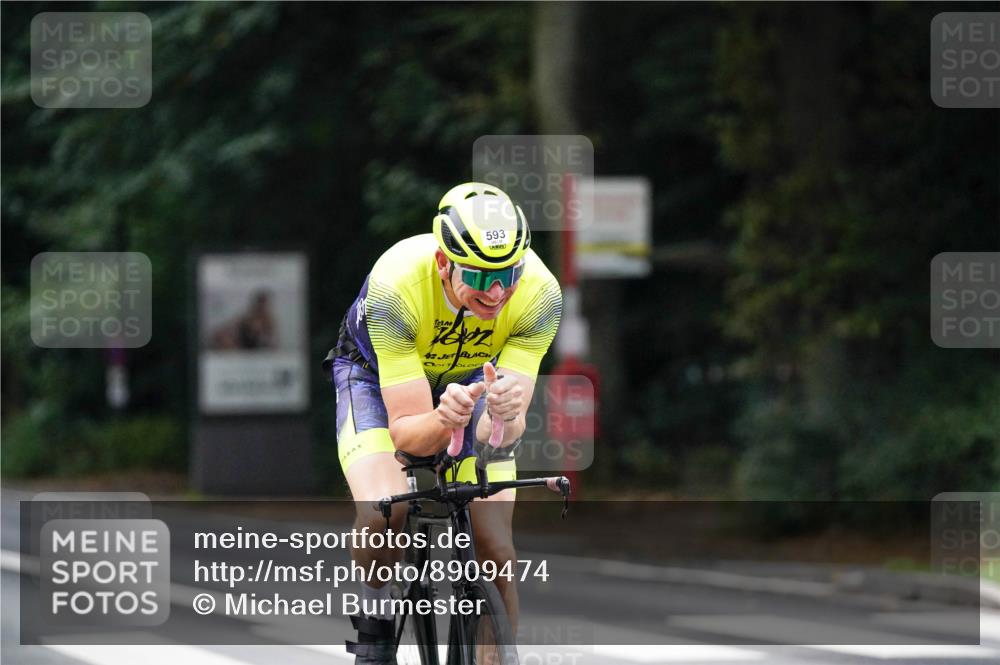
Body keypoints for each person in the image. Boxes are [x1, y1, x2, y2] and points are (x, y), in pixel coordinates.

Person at [324, 182, 562, 664]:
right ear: (443, 264)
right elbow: (409, 432)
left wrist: (501, 415)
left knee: (496, 551)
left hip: (473, 381)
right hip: (373, 379)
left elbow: (506, 438)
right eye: (477, 276)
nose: (496, 292)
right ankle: (375, 628)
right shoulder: (397, 286)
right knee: (382, 515)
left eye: (507, 273)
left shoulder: (539, 294)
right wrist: (440, 418)